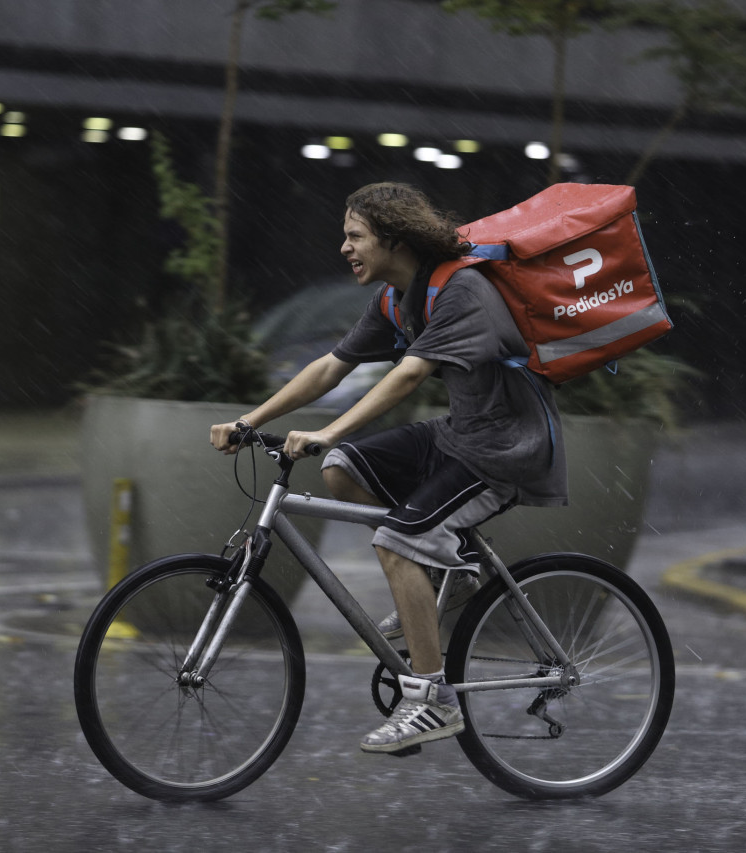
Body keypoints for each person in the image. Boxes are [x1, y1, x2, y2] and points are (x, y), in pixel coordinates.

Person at [210, 181, 567, 755]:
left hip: (504, 449)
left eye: (355, 237)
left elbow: (407, 376)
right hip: (458, 437)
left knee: (397, 539)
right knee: (341, 466)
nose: (344, 249)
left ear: (394, 238)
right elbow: (330, 367)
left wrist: (328, 427)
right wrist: (250, 420)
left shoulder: (461, 290)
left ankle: (432, 700)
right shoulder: (398, 297)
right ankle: (438, 578)